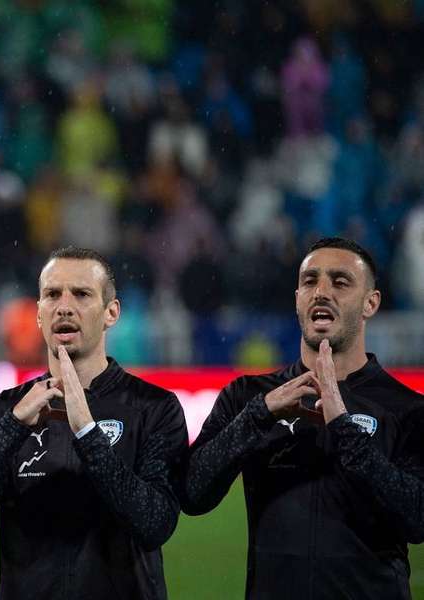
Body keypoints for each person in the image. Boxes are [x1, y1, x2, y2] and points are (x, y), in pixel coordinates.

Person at [181, 237, 424, 599]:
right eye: (310, 281)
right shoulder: (249, 395)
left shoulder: (407, 408)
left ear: (370, 303)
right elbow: (192, 494)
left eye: (340, 282)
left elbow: (417, 518)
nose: (321, 292)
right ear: (297, 297)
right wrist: (258, 416)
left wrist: (343, 428)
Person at [0, 246, 188, 599]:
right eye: (52, 294)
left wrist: (88, 433)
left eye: (82, 294)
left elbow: (154, 524)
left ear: (111, 312)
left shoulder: (153, 408)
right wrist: (12, 427)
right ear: (39, 314)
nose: (64, 306)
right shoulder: (4, 410)